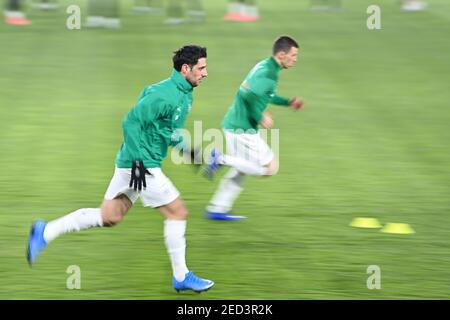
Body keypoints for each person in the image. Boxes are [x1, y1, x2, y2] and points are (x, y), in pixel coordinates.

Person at [27, 45, 214, 293]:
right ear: (185, 68)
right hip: (141, 164)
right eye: (201, 68)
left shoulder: (183, 93)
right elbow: (131, 121)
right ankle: (181, 276)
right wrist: (138, 163)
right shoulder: (164, 95)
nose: (206, 73)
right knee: (177, 212)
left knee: (110, 217)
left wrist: (188, 149)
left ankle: (45, 231)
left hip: (131, 162)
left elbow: (165, 129)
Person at [203, 36, 304, 221]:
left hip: (234, 124)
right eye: (293, 55)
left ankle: (217, 209)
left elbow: (266, 94)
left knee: (241, 169)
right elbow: (247, 94)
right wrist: (260, 116)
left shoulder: (265, 66)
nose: (295, 59)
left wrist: (288, 102)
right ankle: (220, 158)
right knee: (270, 168)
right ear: (282, 54)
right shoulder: (268, 74)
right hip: (242, 129)